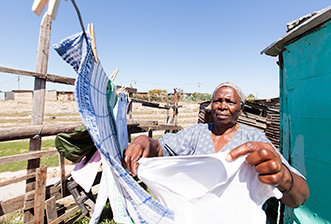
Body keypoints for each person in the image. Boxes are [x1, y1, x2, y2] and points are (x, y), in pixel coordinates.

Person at [123, 82, 309, 209]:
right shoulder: (196, 134)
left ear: (241, 109)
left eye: (229, 101)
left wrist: (284, 178)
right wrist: (143, 141)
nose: (222, 105)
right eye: (217, 101)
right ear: (211, 105)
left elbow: (300, 197)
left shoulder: (254, 140)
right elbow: (160, 148)